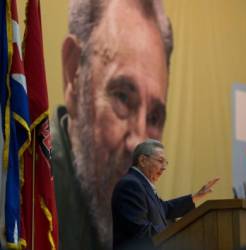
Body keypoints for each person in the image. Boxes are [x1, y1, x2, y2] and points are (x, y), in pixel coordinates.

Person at [51, 0, 173, 249]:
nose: (140, 145)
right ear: (74, 74)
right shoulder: (26, 199)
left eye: (153, 118)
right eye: (122, 97)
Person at [111, 139, 220, 250]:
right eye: (160, 161)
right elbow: (140, 231)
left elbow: (164, 209)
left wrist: (196, 196)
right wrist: (177, 230)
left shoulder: (141, 184)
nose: (164, 167)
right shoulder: (131, 185)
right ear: (143, 160)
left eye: (165, 162)